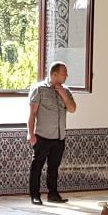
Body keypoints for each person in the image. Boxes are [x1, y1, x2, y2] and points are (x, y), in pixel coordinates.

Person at [27, 61, 76, 205]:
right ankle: (35, 195)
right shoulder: (39, 89)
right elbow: (32, 113)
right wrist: (31, 133)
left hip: (59, 137)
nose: (66, 75)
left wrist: (63, 94)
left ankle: (53, 194)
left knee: (54, 168)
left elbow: (72, 109)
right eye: (64, 73)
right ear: (54, 74)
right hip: (43, 136)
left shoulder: (66, 91)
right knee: (37, 167)